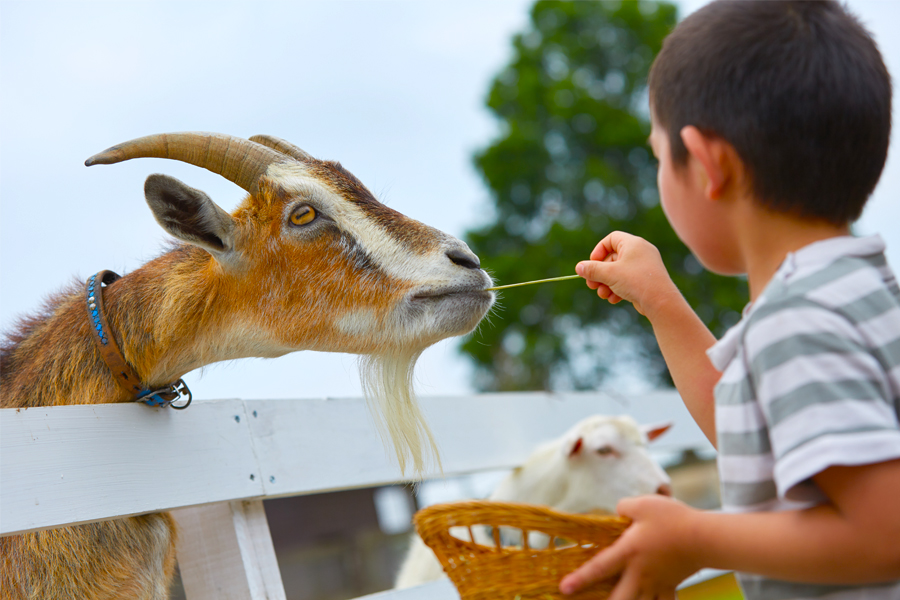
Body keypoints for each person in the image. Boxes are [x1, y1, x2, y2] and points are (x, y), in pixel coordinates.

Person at [561, 2, 900, 599]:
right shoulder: (852, 295)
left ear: (710, 163)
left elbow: (885, 532)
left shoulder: (800, 324)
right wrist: (661, 304)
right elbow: (750, 433)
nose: (660, 174)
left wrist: (699, 536)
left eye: (660, 156)